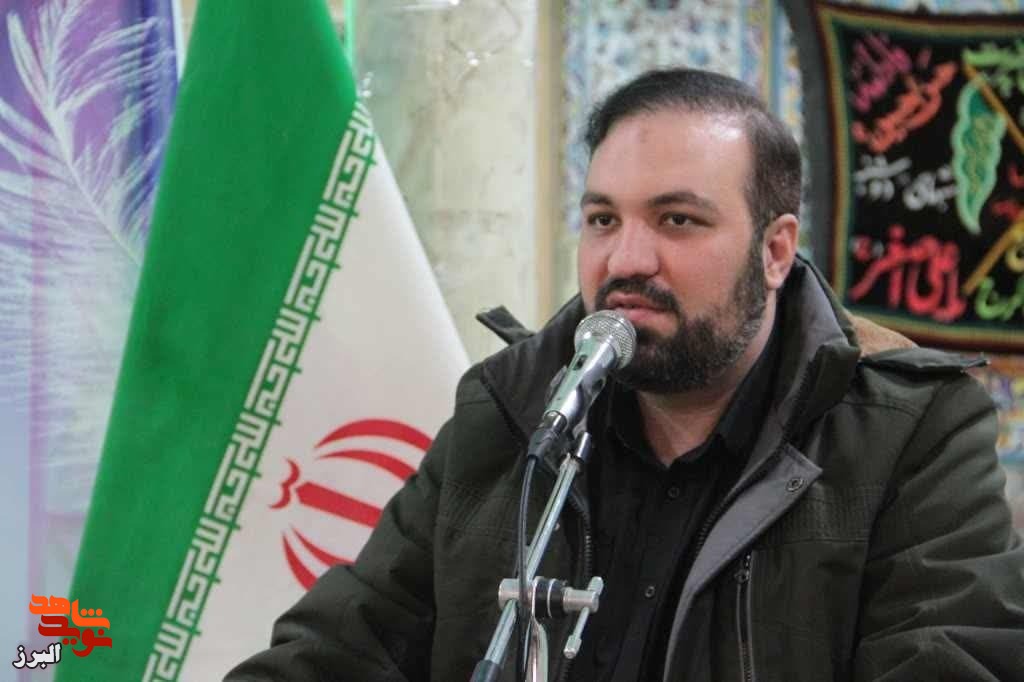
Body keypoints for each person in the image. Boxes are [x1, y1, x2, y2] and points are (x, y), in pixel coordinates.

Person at [225, 68, 1024, 681]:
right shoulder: (511, 413)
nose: (626, 260)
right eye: (603, 219)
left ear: (775, 250)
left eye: (678, 220)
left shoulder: (911, 430)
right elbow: (341, 649)